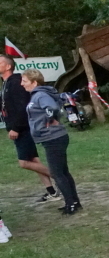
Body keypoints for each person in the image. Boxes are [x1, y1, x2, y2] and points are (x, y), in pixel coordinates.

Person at [0, 54, 58, 203]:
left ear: (8, 66)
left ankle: (60, 177)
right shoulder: (6, 83)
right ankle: (51, 191)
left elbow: (23, 108)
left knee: (24, 162)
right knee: (34, 160)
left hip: (23, 128)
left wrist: (16, 128)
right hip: (18, 127)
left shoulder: (15, 82)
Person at [22, 69, 82, 215]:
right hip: (52, 137)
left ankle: (70, 204)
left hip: (53, 137)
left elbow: (52, 108)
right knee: (63, 171)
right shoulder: (38, 95)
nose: (22, 84)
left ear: (34, 82)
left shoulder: (40, 95)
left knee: (57, 173)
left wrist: (49, 120)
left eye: (24, 81)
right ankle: (74, 202)